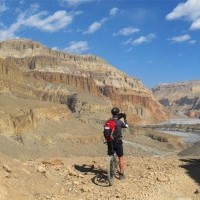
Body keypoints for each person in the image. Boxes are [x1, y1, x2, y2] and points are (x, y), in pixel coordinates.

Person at [107, 107, 128, 180]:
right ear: (118, 113)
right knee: (121, 158)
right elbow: (126, 126)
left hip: (110, 141)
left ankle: (110, 166)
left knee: (111, 153)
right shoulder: (120, 122)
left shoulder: (109, 121)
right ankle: (121, 175)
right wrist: (125, 118)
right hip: (118, 141)